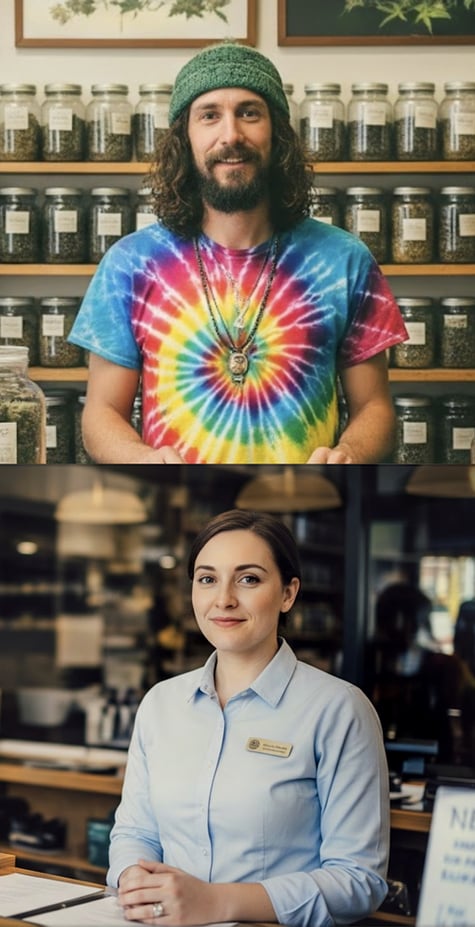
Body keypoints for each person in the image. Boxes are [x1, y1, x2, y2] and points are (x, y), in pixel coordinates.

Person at [69, 42, 407, 465]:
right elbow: (101, 413)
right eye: (209, 115)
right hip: (181, 506)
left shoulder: (344, 260)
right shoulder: (131, 264)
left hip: (305, 503)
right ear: (184, 138)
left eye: (249, 112)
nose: (230, 134)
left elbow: (374, 407)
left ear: (277, 133)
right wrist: (143, 459)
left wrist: (348, 454)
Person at [108, 509, 390, 926]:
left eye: (249, 579)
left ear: (288, 594)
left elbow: (358, 880)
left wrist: (218, 903)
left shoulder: (339, 709)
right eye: (207, 579)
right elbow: (136, 833)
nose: (223, 599)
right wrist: (134, 878)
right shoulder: (160, 704)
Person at [364, 583, 462, 763]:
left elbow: (444, 717)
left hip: (431, 754)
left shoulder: (440, 664)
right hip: (379, 753)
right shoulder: (371, 659)